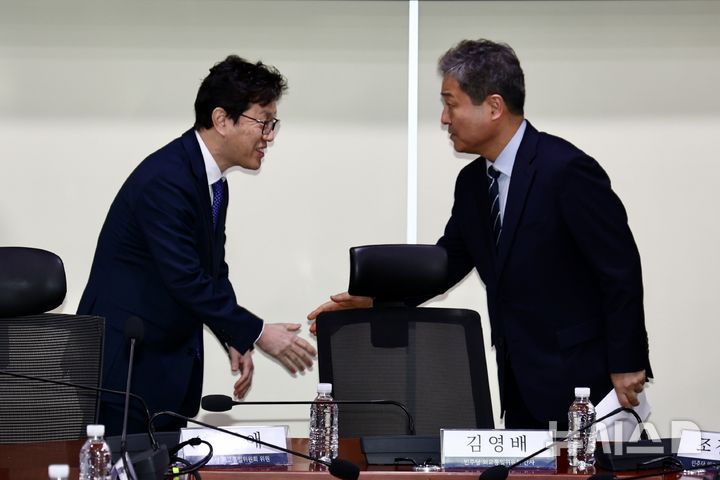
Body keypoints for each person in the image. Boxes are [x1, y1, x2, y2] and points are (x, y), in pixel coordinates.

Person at [308, 39, 652, 430]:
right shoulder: (473, 183)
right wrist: (374, 300)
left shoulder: (566, 170)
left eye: (451, 104)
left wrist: (628, 361)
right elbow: (448, 261)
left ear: (493, 106)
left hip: (589, 385)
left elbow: (619, 268)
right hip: (521, 386)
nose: (444, 118)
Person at [78, 55, 316, 435]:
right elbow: (185, 278)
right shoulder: (166, 180)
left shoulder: (212, 183)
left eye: (273, 124)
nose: (269, 136)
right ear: (222, 119)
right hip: (125, 375)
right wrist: (257, 332)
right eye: (263, 122)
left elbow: (212, 271)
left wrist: (233, 334)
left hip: (161, 372)